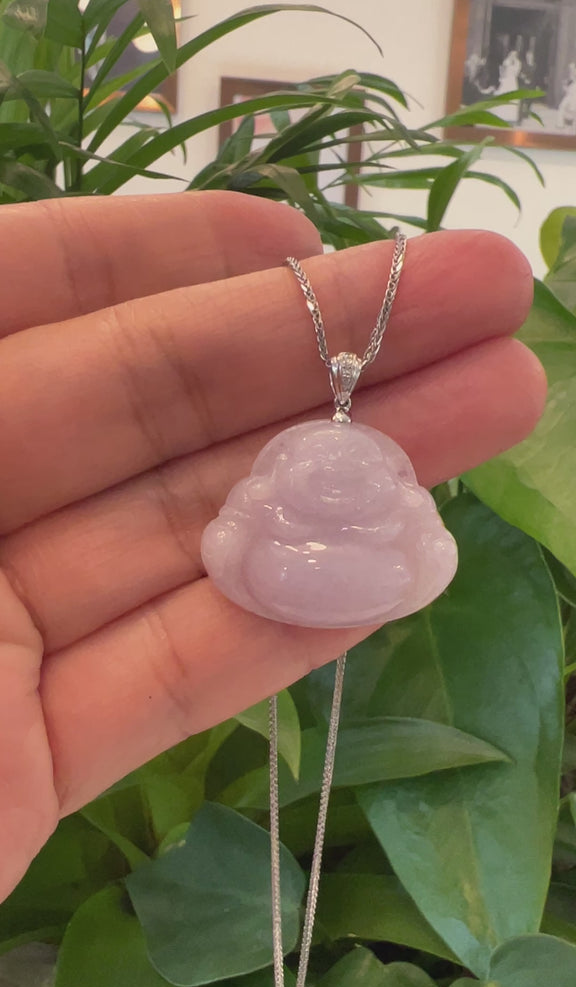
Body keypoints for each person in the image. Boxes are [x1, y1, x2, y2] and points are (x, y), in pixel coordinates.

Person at [0, 192, 544, 902]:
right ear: (290, 473)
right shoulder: (273, 500)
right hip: (284, 570)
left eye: (352, 476)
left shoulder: (389, 504)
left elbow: (422, 542)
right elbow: (235, 534)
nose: (337, 481)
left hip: (366, 571)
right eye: (321, 474)